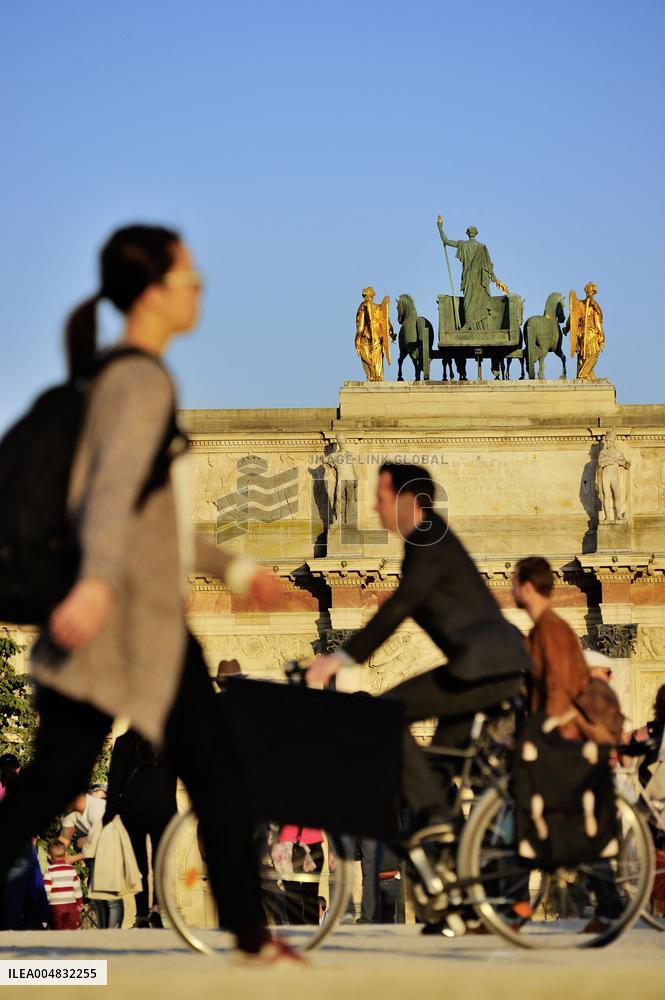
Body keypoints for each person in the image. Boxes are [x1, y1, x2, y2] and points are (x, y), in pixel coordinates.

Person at [0, 224, 298, 965]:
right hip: (133, 620)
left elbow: (146, 513)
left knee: (56, 778)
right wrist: (98, 585)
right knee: (215, 771)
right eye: (188, 275)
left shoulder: (117, 376)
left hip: (128, 615)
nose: (199, 287)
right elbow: (106, 497)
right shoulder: (140, 380)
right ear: (154, 291)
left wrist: (234, 571)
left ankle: (251, 938)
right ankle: (252, 941)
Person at [308, 463, 531, 836]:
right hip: (485, 668)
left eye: (381, 498)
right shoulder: (428, 540)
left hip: (483, 670)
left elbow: (402, 603)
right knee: (440, 766)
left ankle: (443, 826)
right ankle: (455, 857)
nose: (375, 508)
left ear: (407, 499)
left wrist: (341, 658)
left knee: (384, 715)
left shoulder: (428, 537)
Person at [103, 728, 177, 928]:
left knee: (139, 865)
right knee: (159, 862)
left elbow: (115, 781)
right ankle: (157, 910)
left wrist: (108, 816)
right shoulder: (170, 739)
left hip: (133, 810)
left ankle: (142, 914)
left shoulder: (124, 742)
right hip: (164, 809)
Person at [436, 216, 508, 330]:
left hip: (470, 278)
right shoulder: (482, 247)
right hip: (479, 280)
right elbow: (488, 265)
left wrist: (439, 227)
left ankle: (471, 325)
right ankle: (471, 325)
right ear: (476, 233)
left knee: (469, 302)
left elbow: (446, 240)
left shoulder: (464, 244)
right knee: (476, 303)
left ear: (467, 233)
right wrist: (494, 278)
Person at [43, 840, 83, 930]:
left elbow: (46, 891)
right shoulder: (71, 869)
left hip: (55, 908)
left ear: (49, 856)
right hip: (71, 906)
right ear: (66, 854)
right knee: (72, 929)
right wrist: (79, 903)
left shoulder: (49, 870)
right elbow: (77, 888)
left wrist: (45, 906)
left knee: (57, 931)